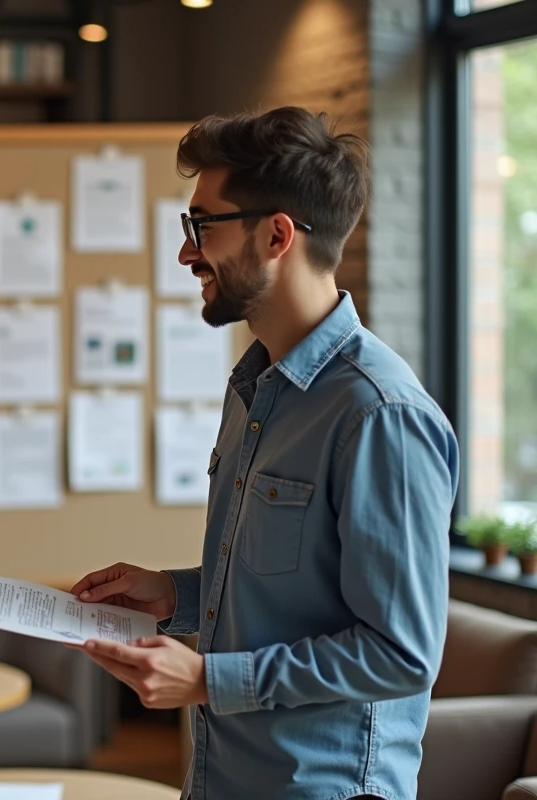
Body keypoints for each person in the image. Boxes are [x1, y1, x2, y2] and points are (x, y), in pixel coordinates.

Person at [70, 106, 459, 800]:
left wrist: (207, 680)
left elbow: (400, 654)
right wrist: (175, 594)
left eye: (202, 226)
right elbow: (294, 593)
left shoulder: (381, 415)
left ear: (277, 234)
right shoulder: (254, 388)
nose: (186, 253)